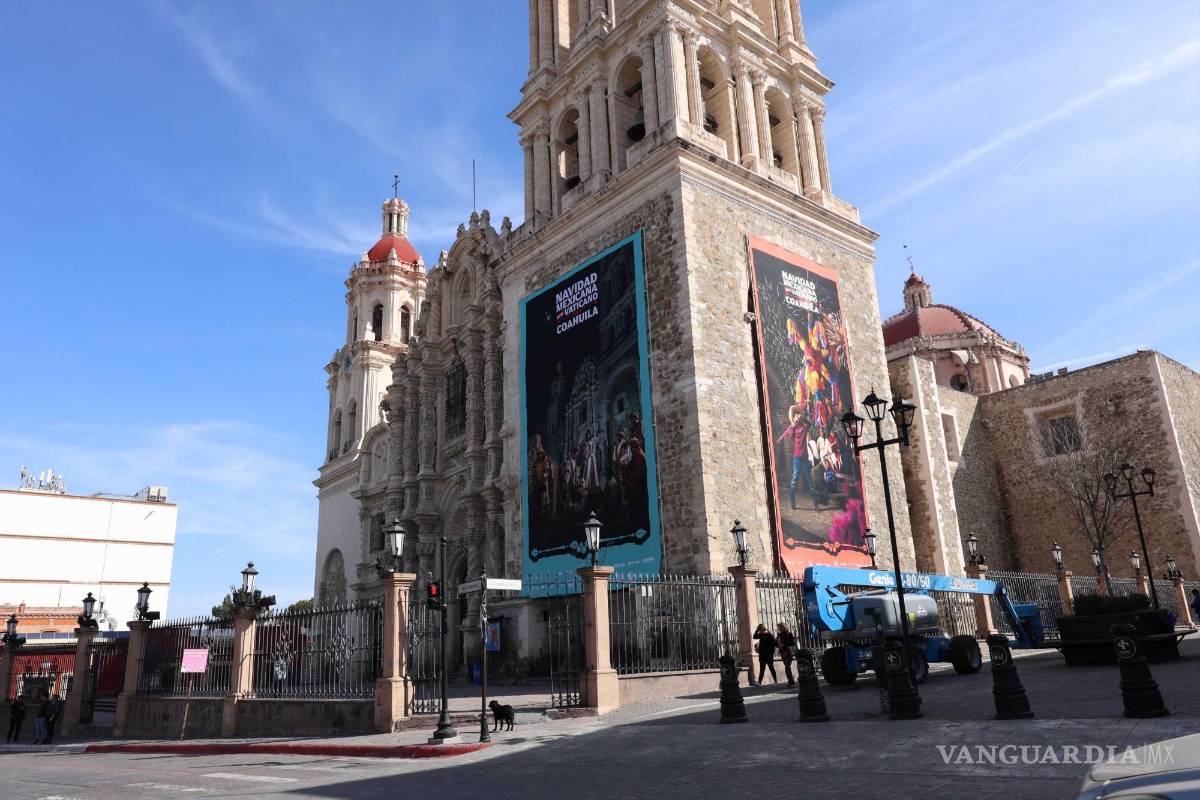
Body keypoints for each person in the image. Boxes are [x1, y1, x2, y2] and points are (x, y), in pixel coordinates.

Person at [776, 622, 798, 688]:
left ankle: (791, 682)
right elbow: (776, 643)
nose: (779, 629)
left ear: (783, 627)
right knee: (787, 667)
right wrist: (777, 644)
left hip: (788, 652)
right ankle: (791, 680)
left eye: (780, 627)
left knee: (787, 668)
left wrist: (784, 645)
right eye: (778, 628)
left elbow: (792, 643)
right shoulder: (779, 635)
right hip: (783, 653)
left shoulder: (789, 633)